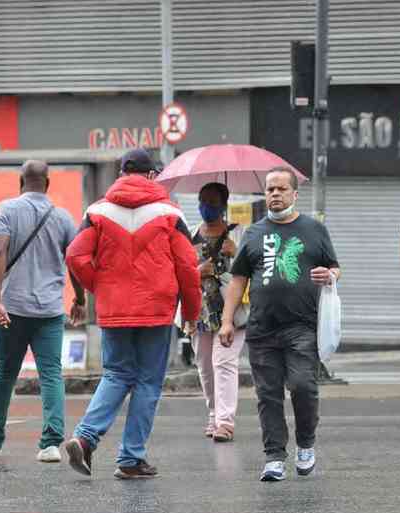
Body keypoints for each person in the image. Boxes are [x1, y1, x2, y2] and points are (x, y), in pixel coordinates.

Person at [63, 148, 201, 479]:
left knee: (116, 374)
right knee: (148, 382)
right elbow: (187, 266)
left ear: (122, 173)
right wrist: (192, 313)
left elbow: (75, 256)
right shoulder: (170, 211)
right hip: (156, 309)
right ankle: (130, 458)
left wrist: (101, 287)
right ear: (152, 175)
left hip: (115, 310)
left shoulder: (97, 210)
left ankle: (85, 437)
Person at [219, 166, 340, 482]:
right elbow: (239, 278)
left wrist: (330, 275)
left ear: (294, 194)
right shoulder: (254, 233)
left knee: (303, 386)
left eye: (280, 189)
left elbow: (335, 267)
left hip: (302, 326)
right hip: (262, 328)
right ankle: (274, 456)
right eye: (269, 189)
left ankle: (306, 444)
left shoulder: (314, 230)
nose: (274, 194)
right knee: (268, 395)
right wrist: (226, 320)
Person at [0, 160, 86, 463]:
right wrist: (79, 298)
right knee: (51, 374)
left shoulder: (6, 210)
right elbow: (75, 262)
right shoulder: (64, 218)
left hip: (10, 309)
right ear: (48, 184)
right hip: (49, 312)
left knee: (5, 372)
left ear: (20, 182)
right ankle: (51, 444)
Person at [184, 182, 246, 443]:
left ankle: (225, 423)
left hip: (231, 312)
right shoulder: (188, 235)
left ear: (223, 205)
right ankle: (213, 414)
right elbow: (178, 272)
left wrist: (237, 254)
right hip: (200, 311)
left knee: (224, 363)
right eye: (202, 200)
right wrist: (198, 272)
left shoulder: (240, 234)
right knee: (205, 366)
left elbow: (255, 270)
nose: (205, 207)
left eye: (211, 202)